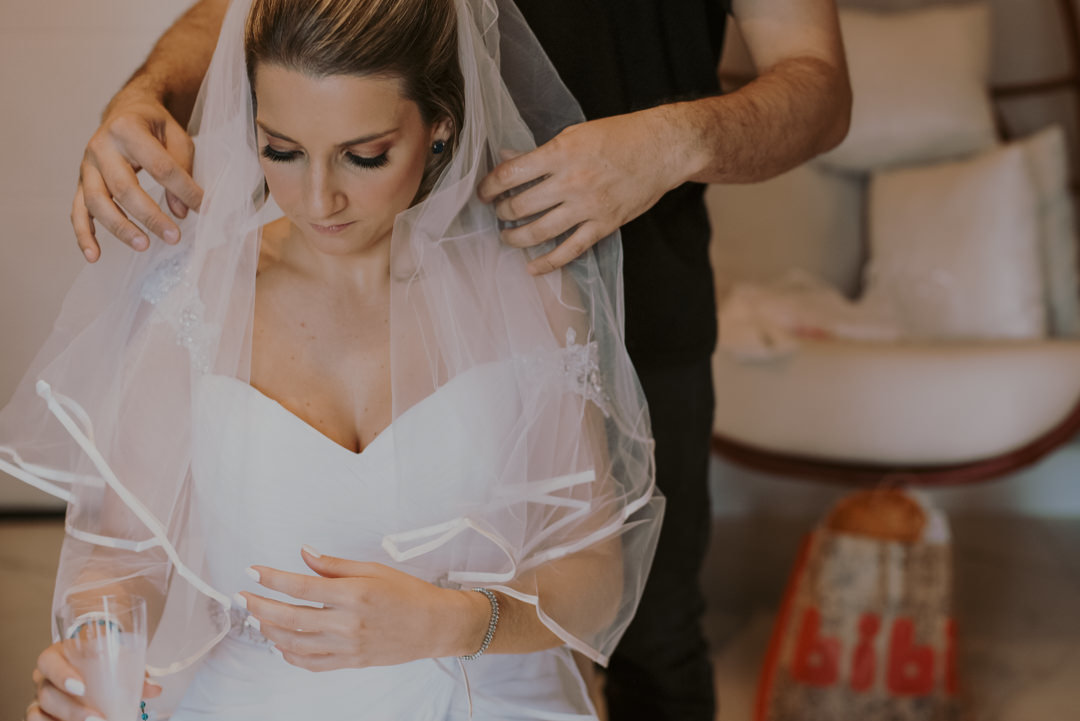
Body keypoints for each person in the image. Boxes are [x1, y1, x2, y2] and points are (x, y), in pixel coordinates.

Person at [66, 1, 851, 719]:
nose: (317, 199)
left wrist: (671, 139)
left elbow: (819, 85)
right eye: (280, 150)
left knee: (661, 641)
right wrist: (151, 87)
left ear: (438, 126)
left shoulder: (532, 298)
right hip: (258, 693)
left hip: (624, 274)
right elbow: (118, 566)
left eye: (361, 156)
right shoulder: (198, 300)